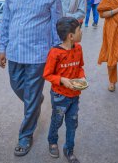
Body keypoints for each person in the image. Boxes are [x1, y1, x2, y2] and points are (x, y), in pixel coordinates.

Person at [0, 0, 62, 156]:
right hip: (15, 52)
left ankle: (25, 136)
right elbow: (6, 22)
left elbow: (56, 26)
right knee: (18, 87)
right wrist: (1, 47)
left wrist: (57, 53)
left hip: (38, 55)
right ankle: (35, 103)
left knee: (31, 96)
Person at [44, 17, 85, 163]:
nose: (82, 32)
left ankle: (69, 149)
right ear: (71, 36)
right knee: (57, 121)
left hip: (75, 95)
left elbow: (80, 67)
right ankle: (52, 141)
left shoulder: (78, 48)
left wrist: (82, 78)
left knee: (72, 123)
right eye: (79, 30)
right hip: (59, 96)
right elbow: (47, 74)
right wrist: (62, 80)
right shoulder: (55, 53)